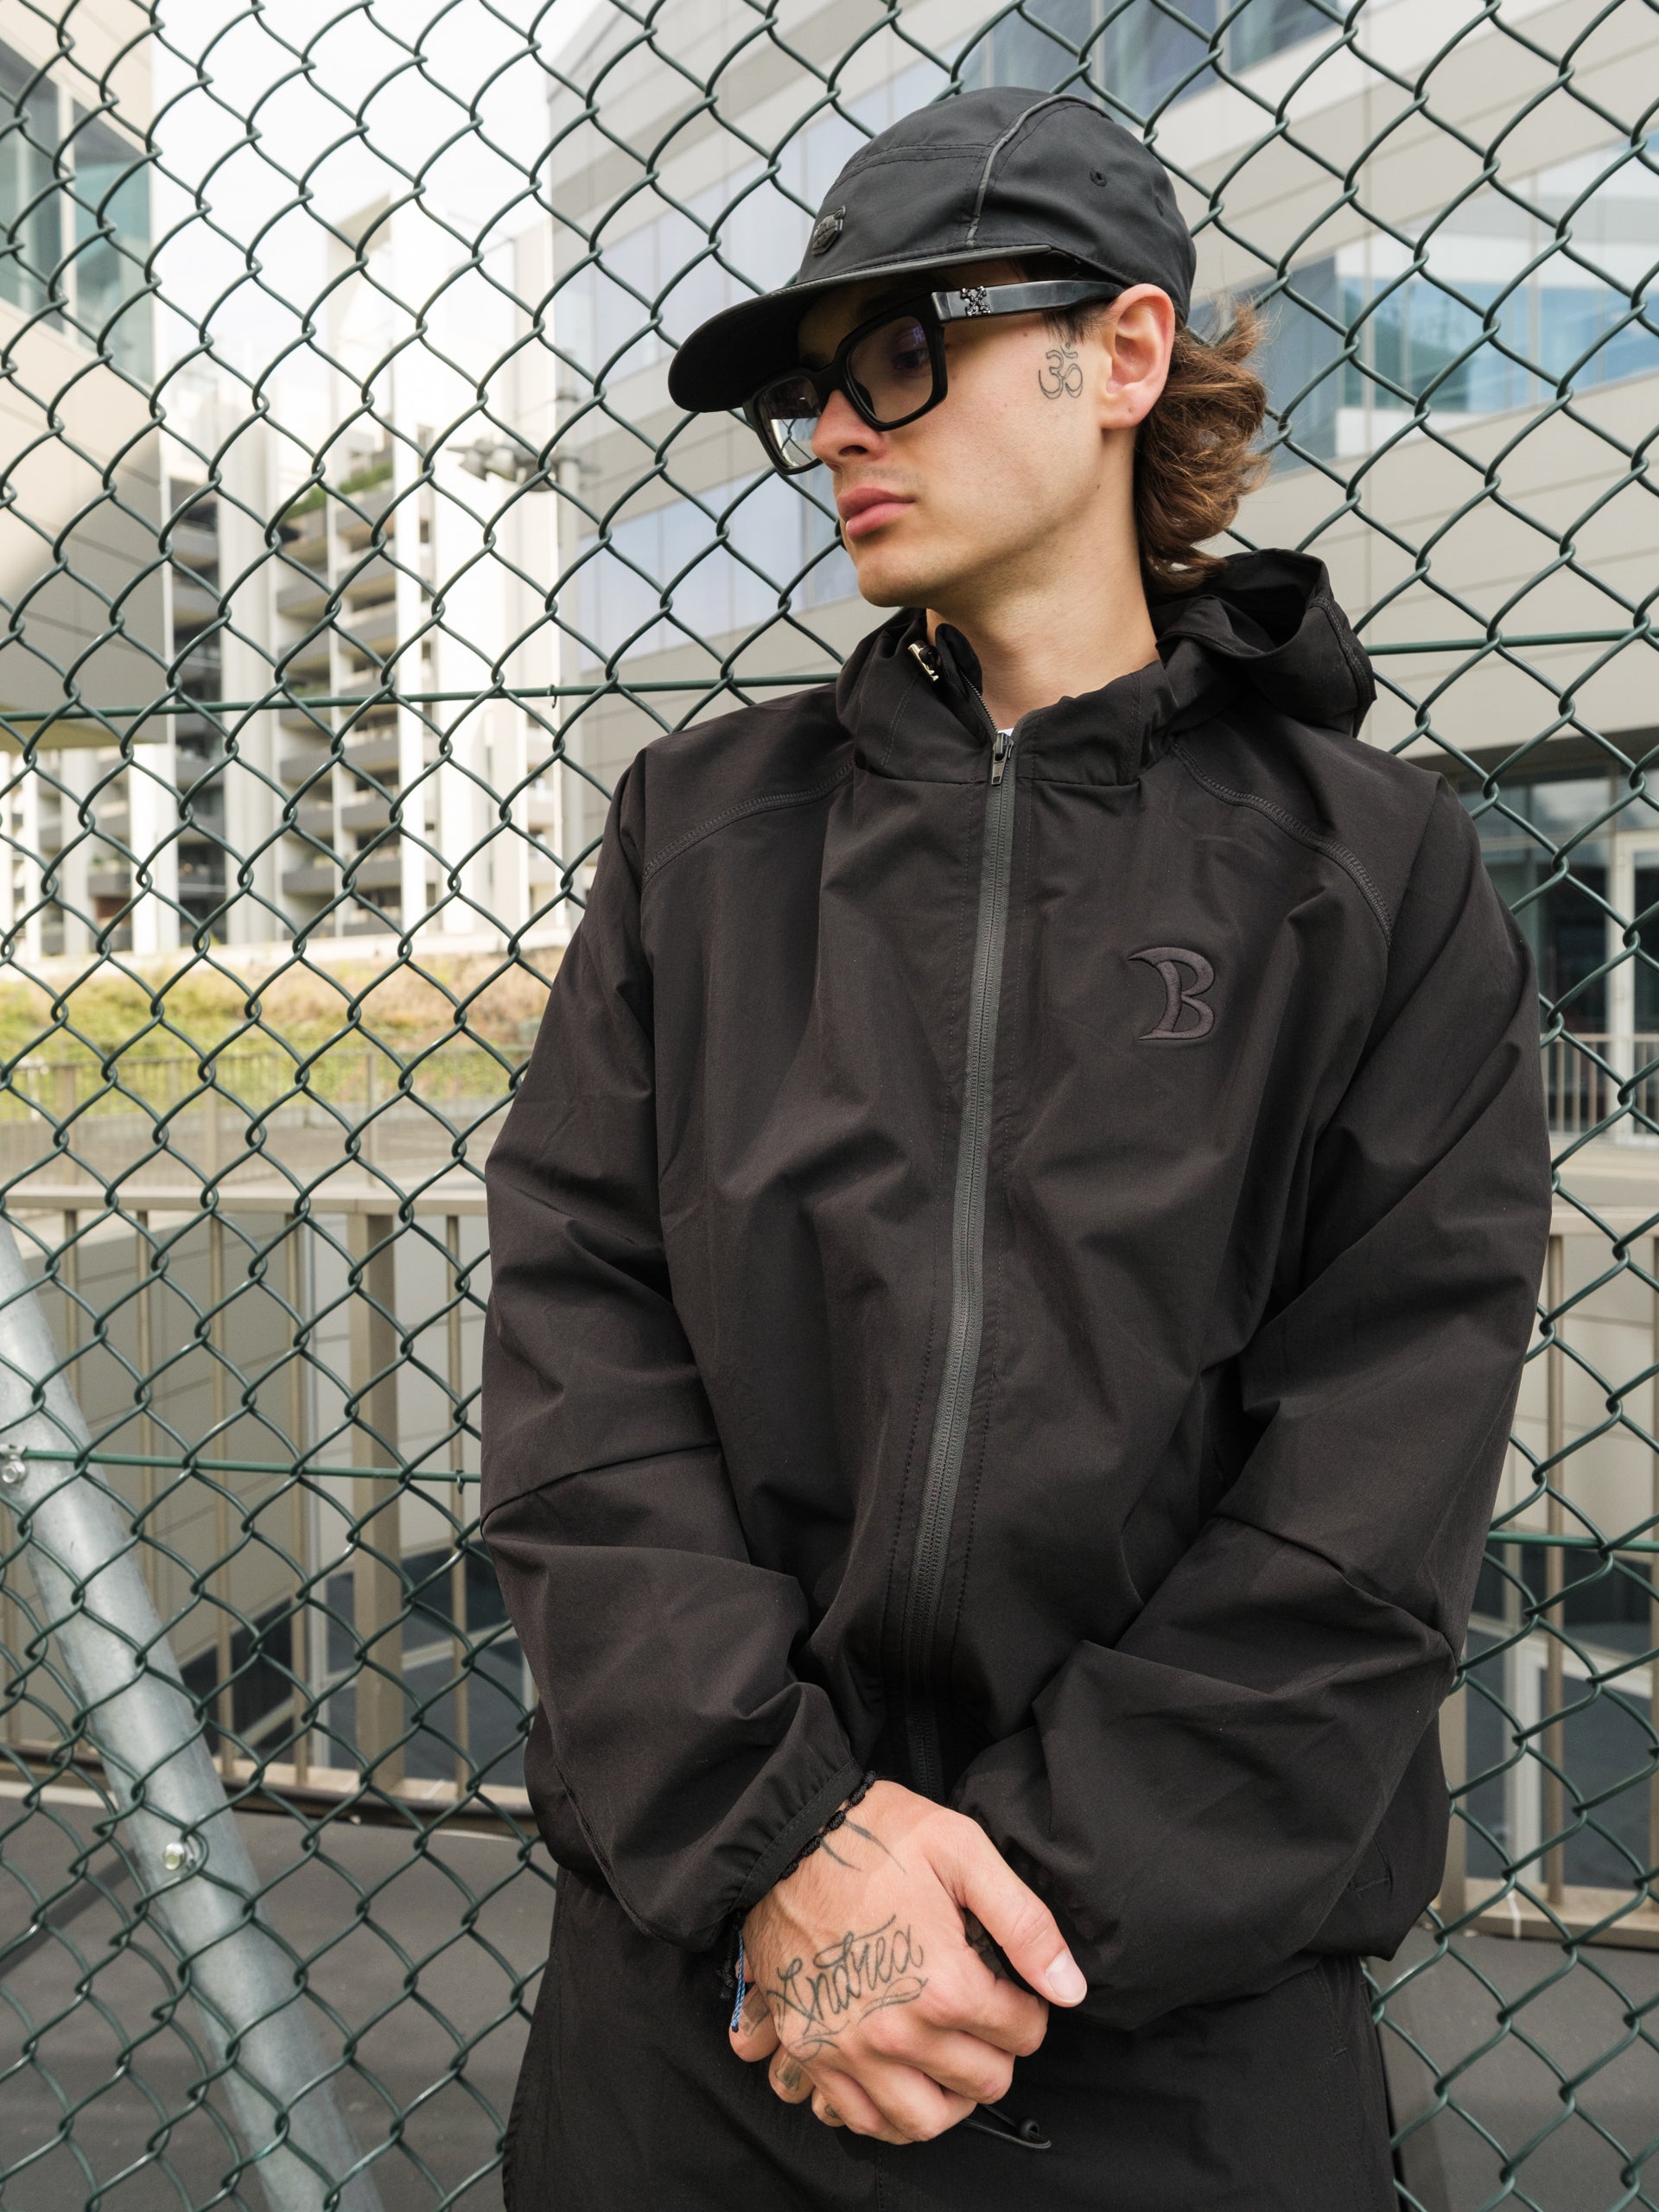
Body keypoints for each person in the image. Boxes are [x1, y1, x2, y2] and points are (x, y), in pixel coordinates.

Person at [480, 86, 1551, 2211]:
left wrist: (975, 1927)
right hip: (704, 2008)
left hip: (1159, 2033)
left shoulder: (1376, 882)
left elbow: (1366, 1500)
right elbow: (580, 1376)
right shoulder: (700, 835)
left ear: (1124, 357)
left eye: (901, 352)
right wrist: (789, 1851)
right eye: (811, 383)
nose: (833, 429)